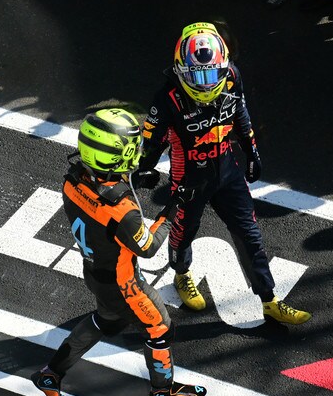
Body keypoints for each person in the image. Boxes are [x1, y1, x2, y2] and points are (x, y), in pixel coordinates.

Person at [132, 22, 311, 325]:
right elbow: (151, 141)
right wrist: (145, 168)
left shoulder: (232, 76)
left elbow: (240, 112)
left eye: (211, 74)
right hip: (188, 177)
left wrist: (251, 151)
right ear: (180, 70)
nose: (205, 84)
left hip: (227, 170)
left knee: (250, 234)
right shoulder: (167, 99)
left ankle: (269, 300)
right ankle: (181, 273)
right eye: (197, 76)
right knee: (183, 231)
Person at [32, 108, 206, 396]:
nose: (136, 153)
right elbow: (148, 247)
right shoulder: (122, 211)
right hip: (125, 284)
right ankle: (163, 391)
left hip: (95, 273)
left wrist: (133, 180)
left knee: (106, 320)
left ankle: (51, 374)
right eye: (130, 149)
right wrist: (173, 208)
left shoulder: (72, 180)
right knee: (160, 330)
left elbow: (99, 195)